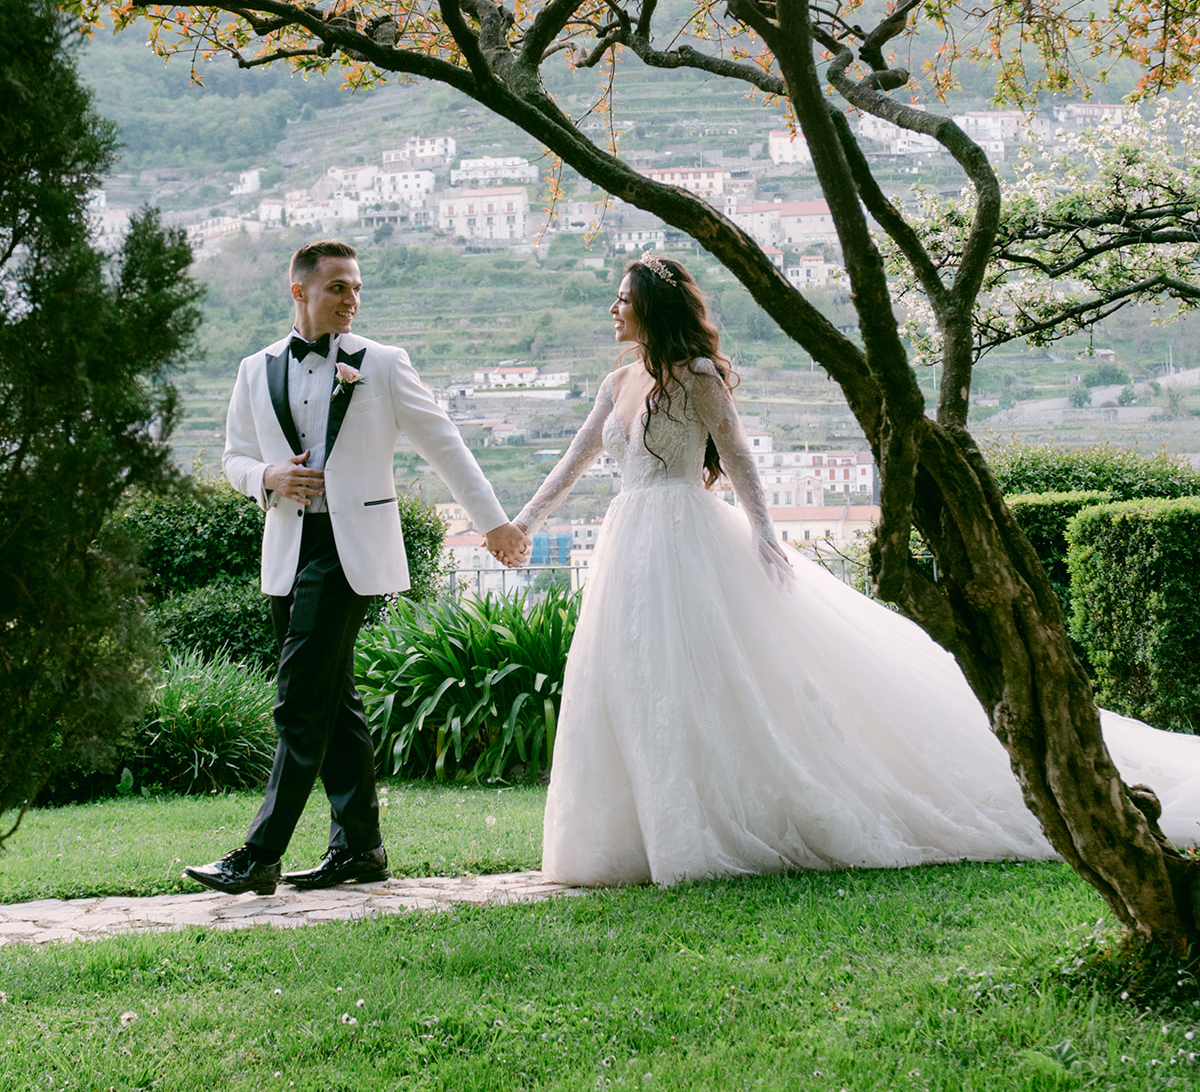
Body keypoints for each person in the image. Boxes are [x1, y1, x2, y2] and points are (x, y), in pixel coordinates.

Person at [513, 252, 1200, 887]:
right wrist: (523, 523)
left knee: (693, 678)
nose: (612, 308)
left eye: (622, 298)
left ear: (651, 309)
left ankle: (696, 829)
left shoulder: (696, 378)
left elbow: (740, 457)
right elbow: (573, 462)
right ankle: (628, 837)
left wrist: (764, 534)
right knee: (633, 678)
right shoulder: (615, 382)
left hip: (687, 536)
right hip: (629, 542)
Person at [186, 239, 528, 896]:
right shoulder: (255, 368)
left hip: (350, 554)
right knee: (335, 703)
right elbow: (233, 457)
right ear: (300, 291)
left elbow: (445, 445)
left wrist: (494, 524)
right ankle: (360, 849)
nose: (352, 299)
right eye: (339, 287)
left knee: (299, 699)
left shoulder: (385, 364)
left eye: (357, 288)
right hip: (289, 552)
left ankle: (259, 855)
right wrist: (267, 475)